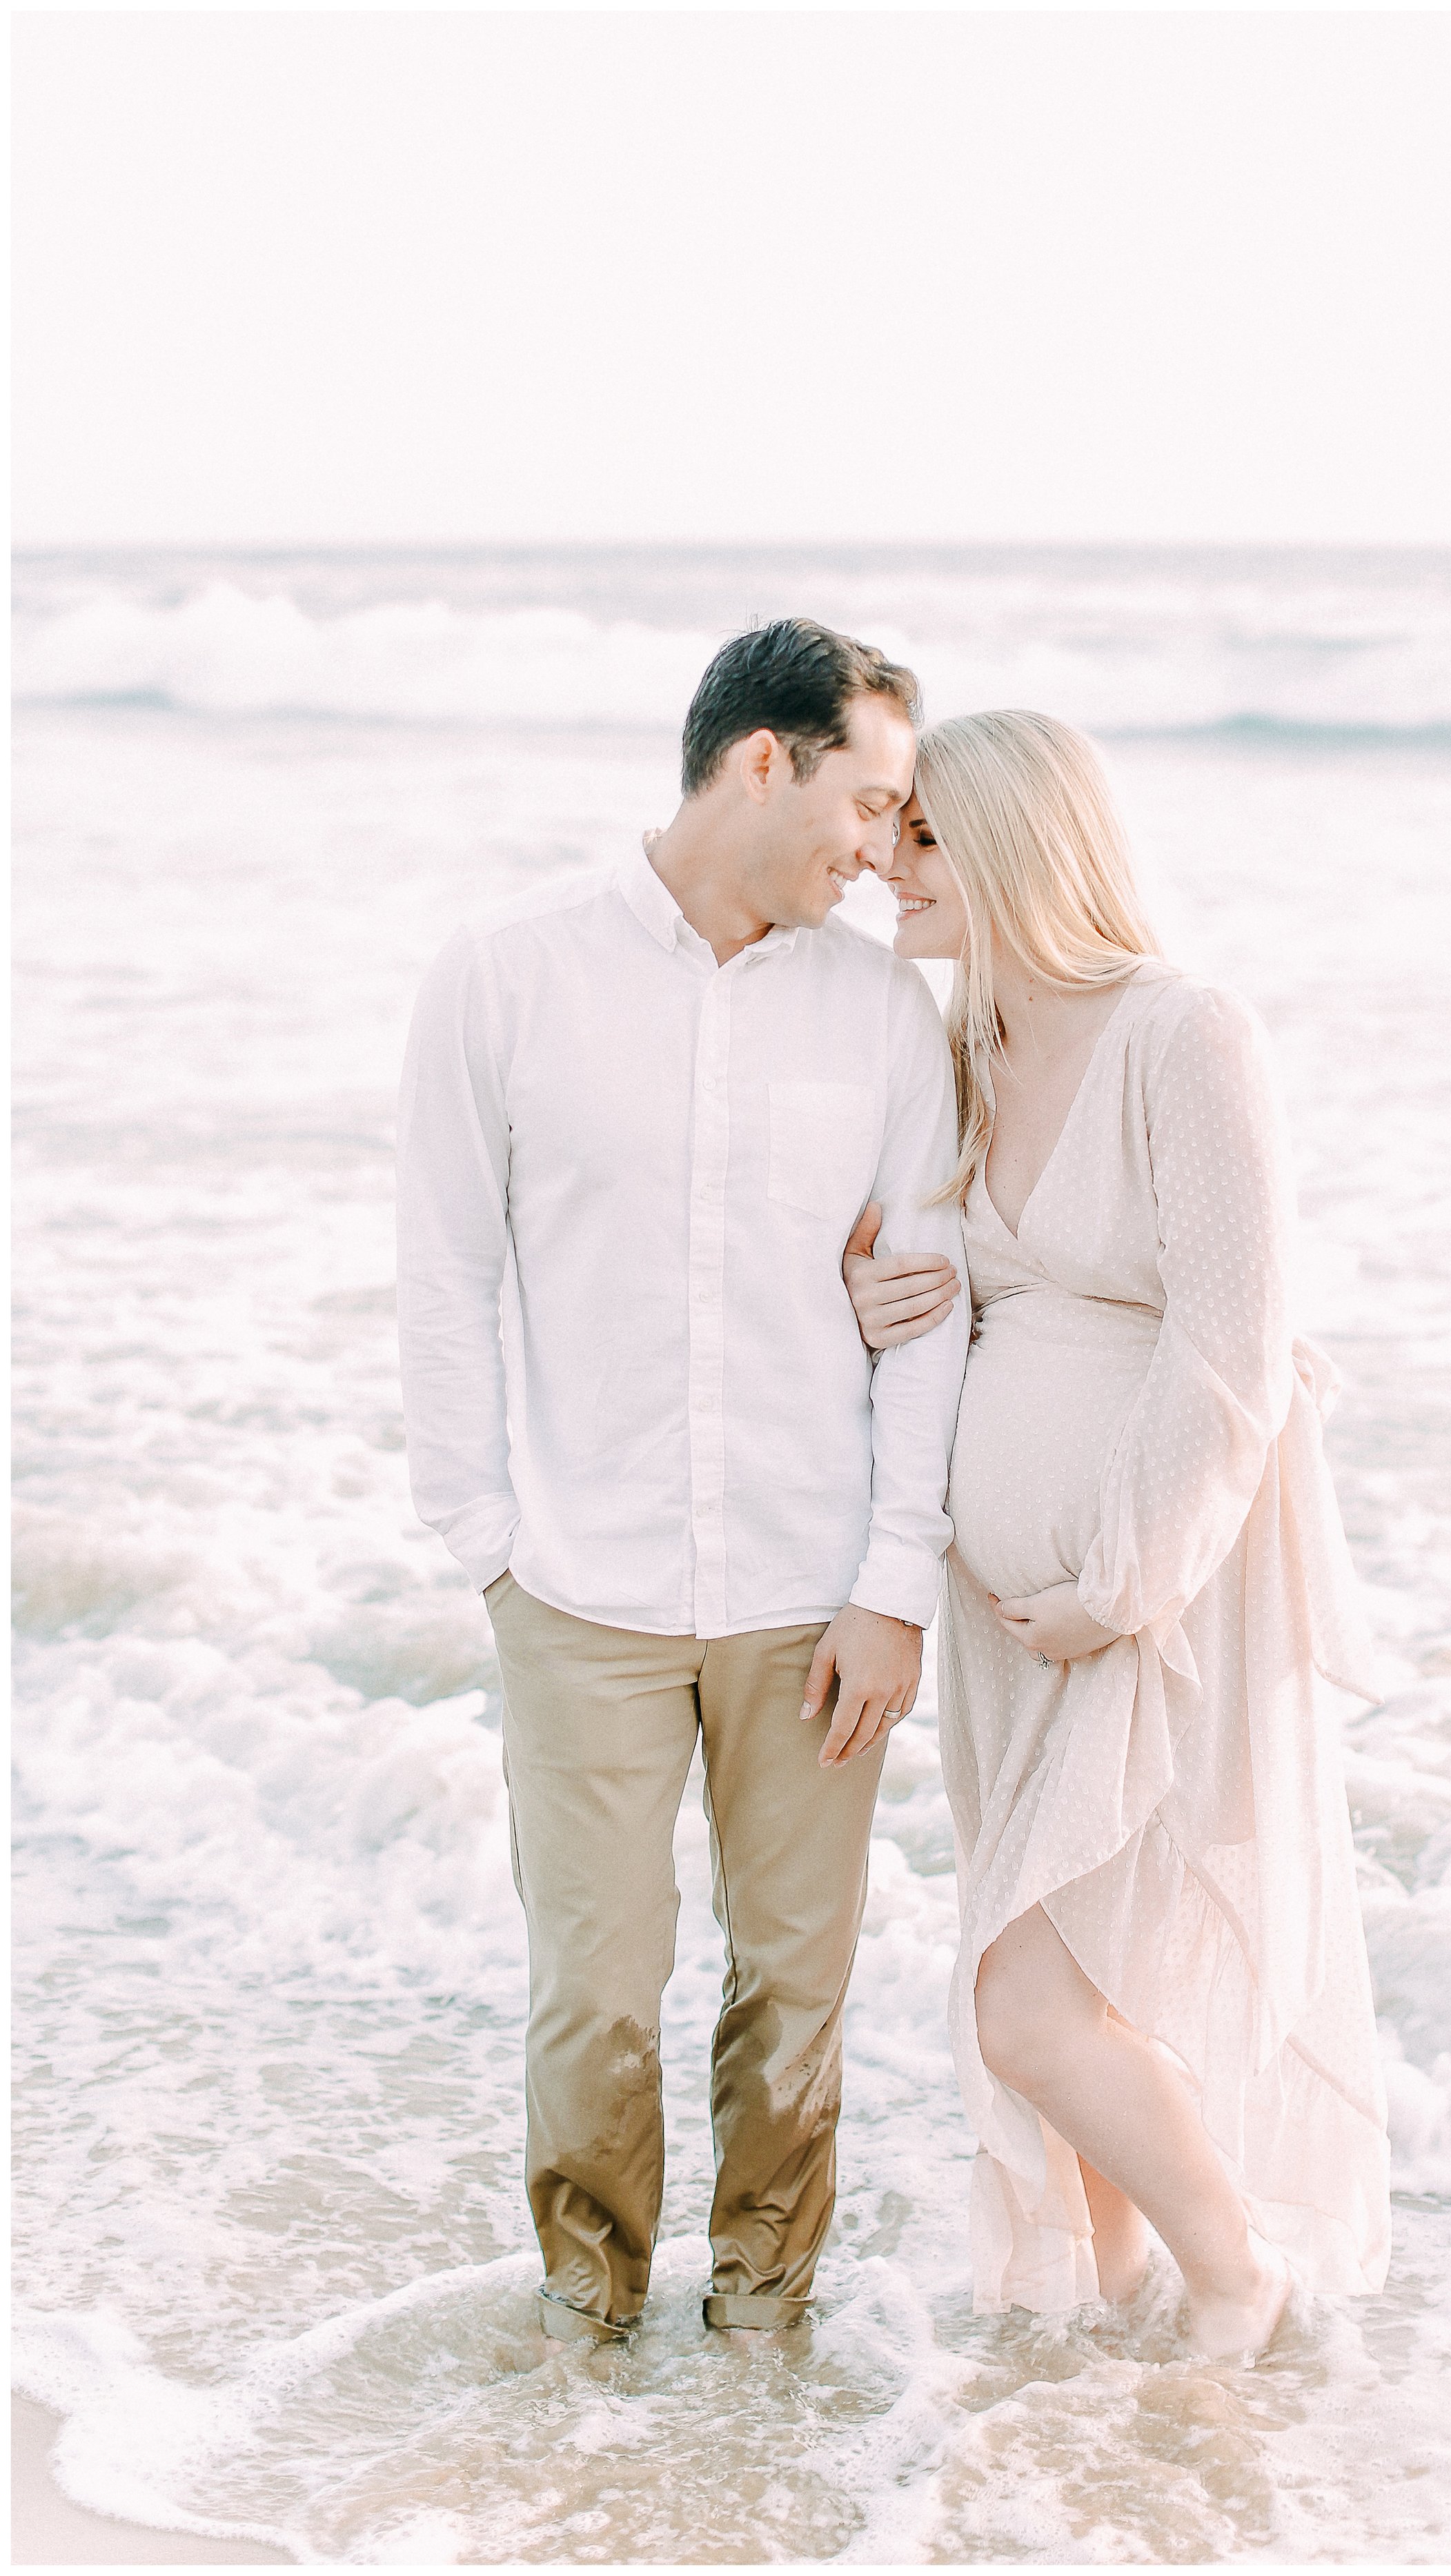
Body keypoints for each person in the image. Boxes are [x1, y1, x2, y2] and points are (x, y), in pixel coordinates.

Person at [395, 619, 969, 2345]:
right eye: (864, 805)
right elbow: (445, 1275)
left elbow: (924, 1310)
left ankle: (764, 2328)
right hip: (582, 1585)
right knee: (594, 1996)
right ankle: (588, 2329)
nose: (877, 855)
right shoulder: (501, 975)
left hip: (814, 1587)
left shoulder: (883, 1016)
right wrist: (486, 1545)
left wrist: (894, 1584)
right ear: (760, 761)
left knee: (795, 1993)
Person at [844, 709, 1390, 2359]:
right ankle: (1117, 2299)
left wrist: (1122, 1583)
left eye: (921, 836)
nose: (882, 859)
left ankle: (1235, 2273)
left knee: (1023, 2002)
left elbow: (1231, 1347)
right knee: (1081, 1971)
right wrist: (870, 1294)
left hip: (1141, 1590)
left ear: (1014, 842)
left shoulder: (1182, 1032)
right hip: (1009, 1611)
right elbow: (933, 1295)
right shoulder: (957, 1047)